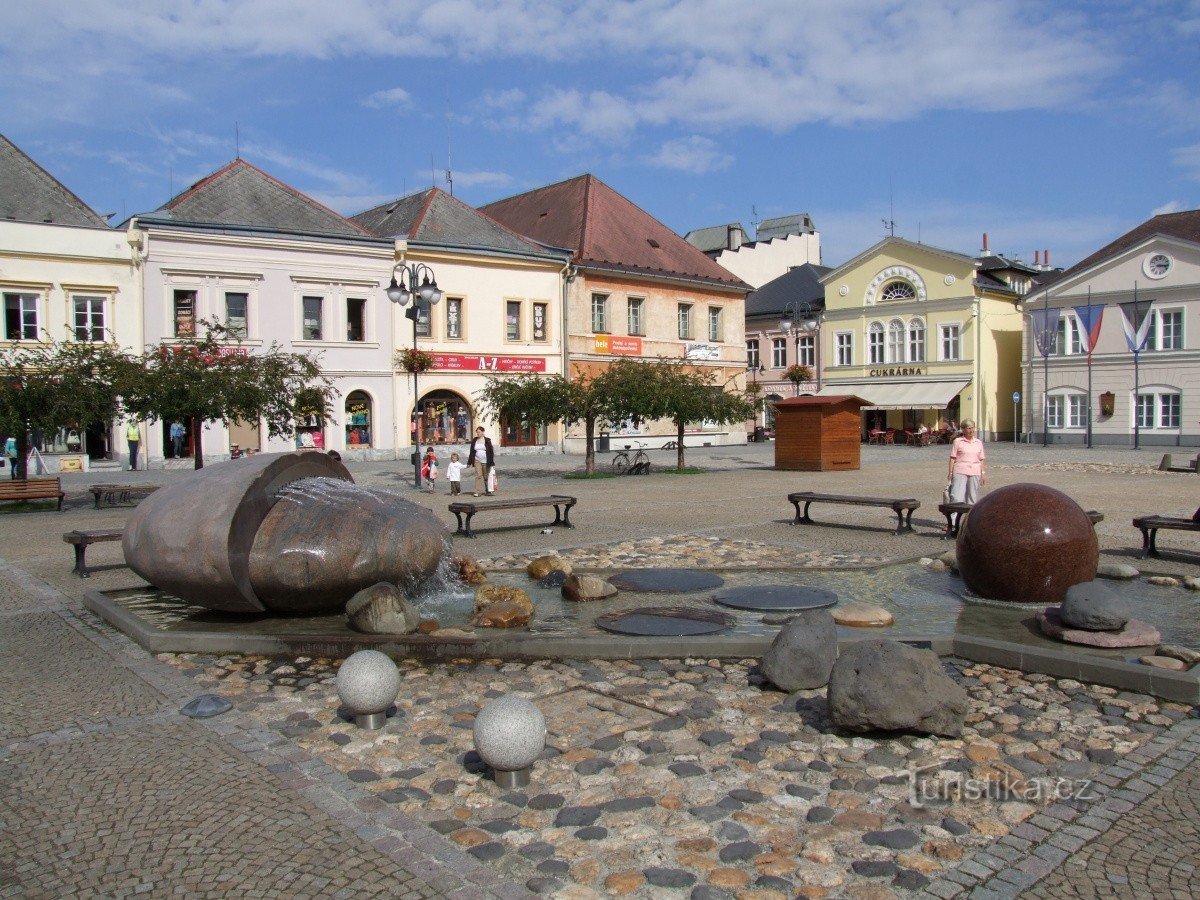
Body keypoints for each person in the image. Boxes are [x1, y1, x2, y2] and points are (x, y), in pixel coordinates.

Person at [947, 419, 986, 506]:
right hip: (960, 471)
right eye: (968, 428)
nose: (971, 430)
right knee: (956, 497)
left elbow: (981, 459)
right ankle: (954, 519)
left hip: (975, 472)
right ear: (963, 429)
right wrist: (950, 472)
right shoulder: (958, 441)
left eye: (972, 428)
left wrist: (983, 473)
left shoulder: (978, 442)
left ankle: (969, 518)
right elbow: (952, 458)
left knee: (972, 498)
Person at [466, 426, 495, 497]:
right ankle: (478, 492)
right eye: (477, 432)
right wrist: (469, 462)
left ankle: (488, 490)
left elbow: (491, 452)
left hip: (486, 461)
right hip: (477, 460)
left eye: (479, 432)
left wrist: (491, 462)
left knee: (486, 476)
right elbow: (472, 452)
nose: (478, 433)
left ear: (482, 432)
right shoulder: (474, 440)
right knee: (478, 476)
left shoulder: (487, 440)